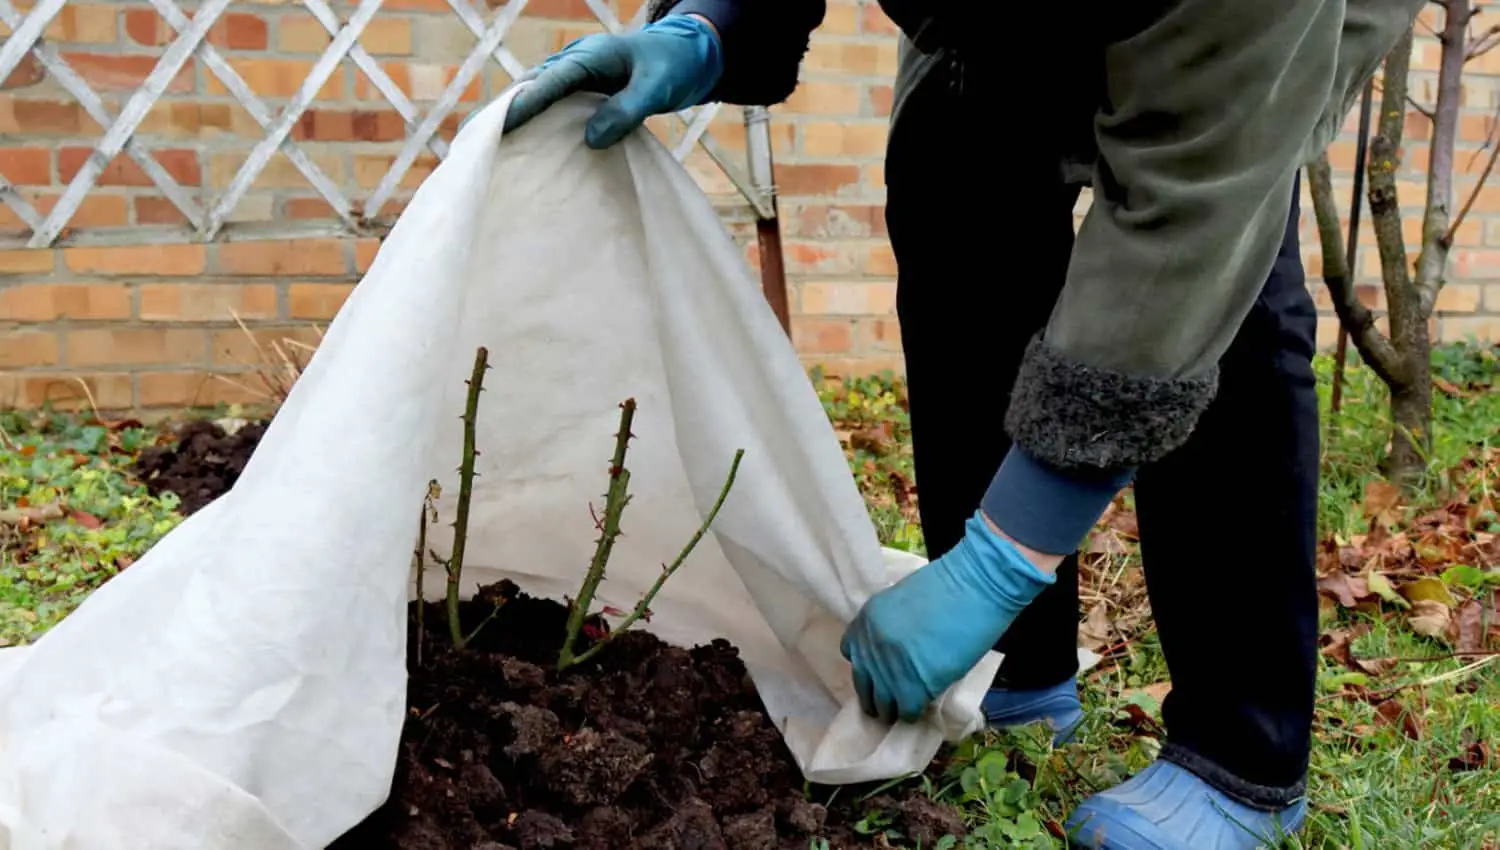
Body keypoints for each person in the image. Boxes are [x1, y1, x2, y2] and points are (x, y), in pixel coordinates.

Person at [499, 2, 1424, 846]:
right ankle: (1017, 671)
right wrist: (715, 23)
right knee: (953, 160)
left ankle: (1242, 755)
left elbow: (1192, 213)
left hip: (1254, 29)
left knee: (1229, 275)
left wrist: (1002, 560)